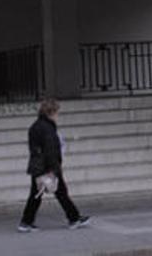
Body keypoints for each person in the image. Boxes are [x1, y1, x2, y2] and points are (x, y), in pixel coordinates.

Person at [18, 98, 90, 232]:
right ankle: (73, 219)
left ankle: (26, 221)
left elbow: (36, 148)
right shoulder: (48, 128)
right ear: (51, 112)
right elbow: (51, 150)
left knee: (37, 194)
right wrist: (53, 170)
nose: (58, 115)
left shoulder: (35, 126)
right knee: (60, 192)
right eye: (57, 112)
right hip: (48, 166)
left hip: (37, 166)